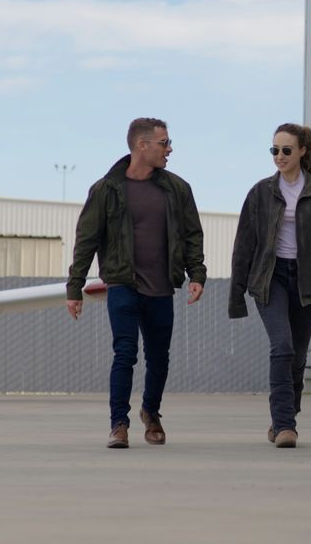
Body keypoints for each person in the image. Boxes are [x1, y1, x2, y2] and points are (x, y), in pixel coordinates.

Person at [67, 117, 206, 449]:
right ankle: (119, 424)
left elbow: (191, 235)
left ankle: (151, 413)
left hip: (161, 287)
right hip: (122, 284)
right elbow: (86, 240)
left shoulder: (177, 189)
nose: (169, 149)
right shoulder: (105, 190)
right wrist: (75, 288)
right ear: (142, 145)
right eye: (164, 143)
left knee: (159, 357)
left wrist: (196, 274)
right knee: (125, 352)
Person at [229, 123, 311, 448]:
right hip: (270, 278)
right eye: (274, 150)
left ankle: (285, 414)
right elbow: (244, 245)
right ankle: (286, 425)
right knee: (281, 347)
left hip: (307, 279)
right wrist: (237, 296)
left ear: (301, 151)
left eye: (286, 150)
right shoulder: (260, 192)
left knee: (297, 357)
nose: (280, 156)